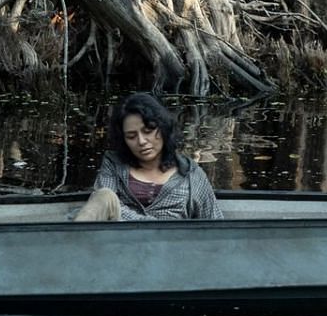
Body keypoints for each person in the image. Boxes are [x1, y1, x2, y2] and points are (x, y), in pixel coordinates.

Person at [70, 93, 225, 221]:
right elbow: (104, 207)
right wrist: (151, 225)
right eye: (131, 136)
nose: (142, 142)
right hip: (118, 247)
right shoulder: (114, 164)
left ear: (162, 127)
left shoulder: (191, 175)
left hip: (171, 249)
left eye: (148, 131)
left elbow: (215, 224)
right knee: (103, 196)